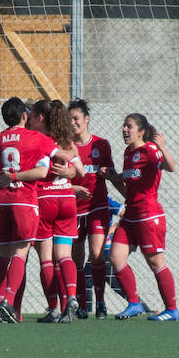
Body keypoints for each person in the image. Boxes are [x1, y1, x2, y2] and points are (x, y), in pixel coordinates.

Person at [102, 113, 179, 321]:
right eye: (124, 126)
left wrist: (162, 147)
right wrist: (111, 177)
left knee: (155, 263)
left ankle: (172, 309)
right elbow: (129, 187)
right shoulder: (128, 153)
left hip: (148, 215)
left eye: (130, 126)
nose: (125, 129)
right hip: (131, 214)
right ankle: (134, 303)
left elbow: (171, 167)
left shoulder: (150, 150)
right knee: (115, 257)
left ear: (141, 132)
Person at [0, 97, 58, 323]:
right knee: (22, 251)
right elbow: (58, 156)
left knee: (3, 254)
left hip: (2, 200)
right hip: (24, 200)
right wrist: (72, 159)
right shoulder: (36, 138)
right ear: (25, 116)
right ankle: (8, 302)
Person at [27, 99, 84, 324]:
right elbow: (79, 170)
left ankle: (53, 309)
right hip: (67, 200)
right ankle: (71, 297)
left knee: (46, 260)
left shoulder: (37, 140)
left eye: (32, 116)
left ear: (41, 119)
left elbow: (36, 170)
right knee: (65, 256)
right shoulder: (66, 141)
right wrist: (69, 172)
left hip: (44, 200)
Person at [68, 99, 116, 320]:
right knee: (76, 259)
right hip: (74, 210)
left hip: (98, 207)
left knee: (97, 254)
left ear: (86, 119)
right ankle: (82, 306)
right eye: (69, 119)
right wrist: (73, 188)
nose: (73, 122)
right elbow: (59, 178)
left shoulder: (101, 145)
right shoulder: (66, 146)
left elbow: (110, 173)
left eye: (76, 118)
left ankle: (101, 303)